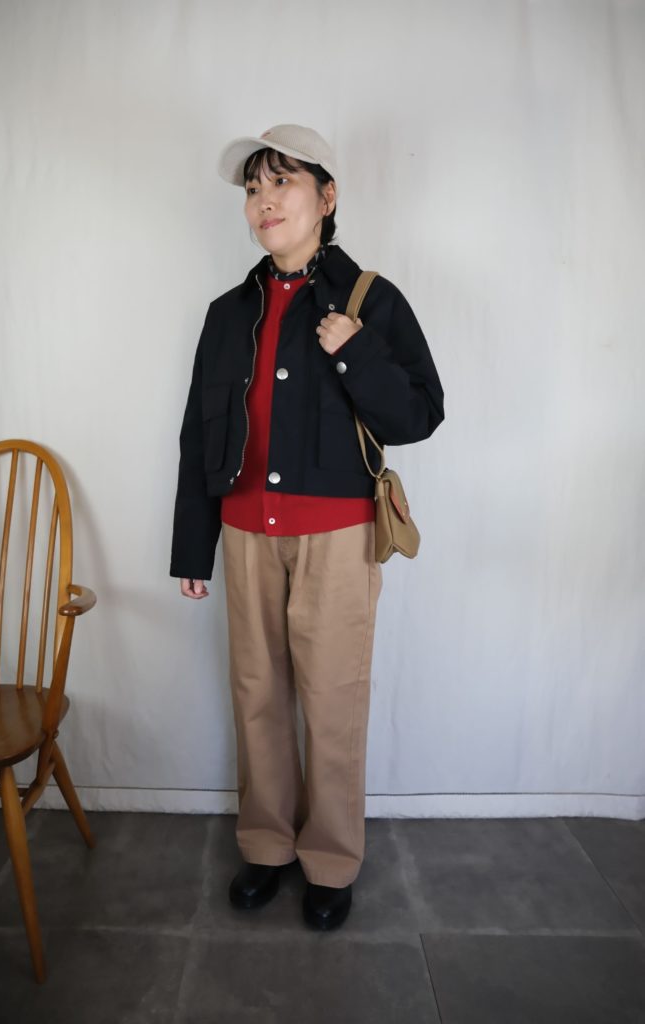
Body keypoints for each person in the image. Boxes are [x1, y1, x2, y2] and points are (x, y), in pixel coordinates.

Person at [170, 123, 444, 930]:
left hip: (336, 537)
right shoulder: (228, 314)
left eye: (281, 182)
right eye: (253, 189)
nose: (263, 201)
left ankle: (329, 860)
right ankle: (265, 846)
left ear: (326, 197)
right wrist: (193, 547)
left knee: (330, 702)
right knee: (256, 695)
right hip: (245, 533)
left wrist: (355, 352)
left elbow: (419, 416)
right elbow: (198, 436)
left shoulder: (370, 301)